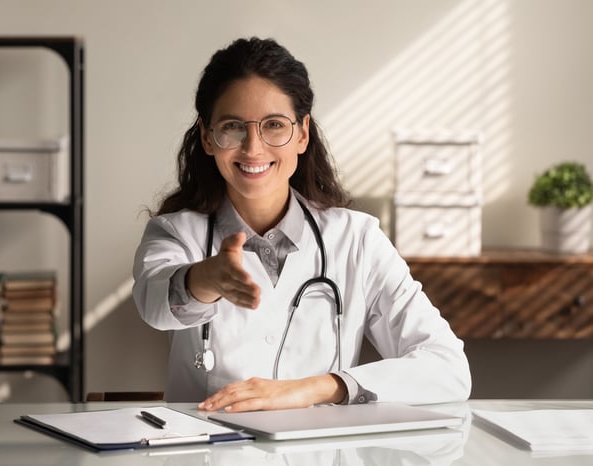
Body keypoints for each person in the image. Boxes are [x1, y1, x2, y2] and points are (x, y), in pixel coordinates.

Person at [133, 37, 471, 413]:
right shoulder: (177, 233)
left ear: (302, 133)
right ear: (208, 137)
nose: (253, 148)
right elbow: (154, 305)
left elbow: (448, 368)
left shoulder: (357, 239)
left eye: (274, 125)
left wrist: (321, 387)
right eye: (232, 127)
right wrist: (204, 279)